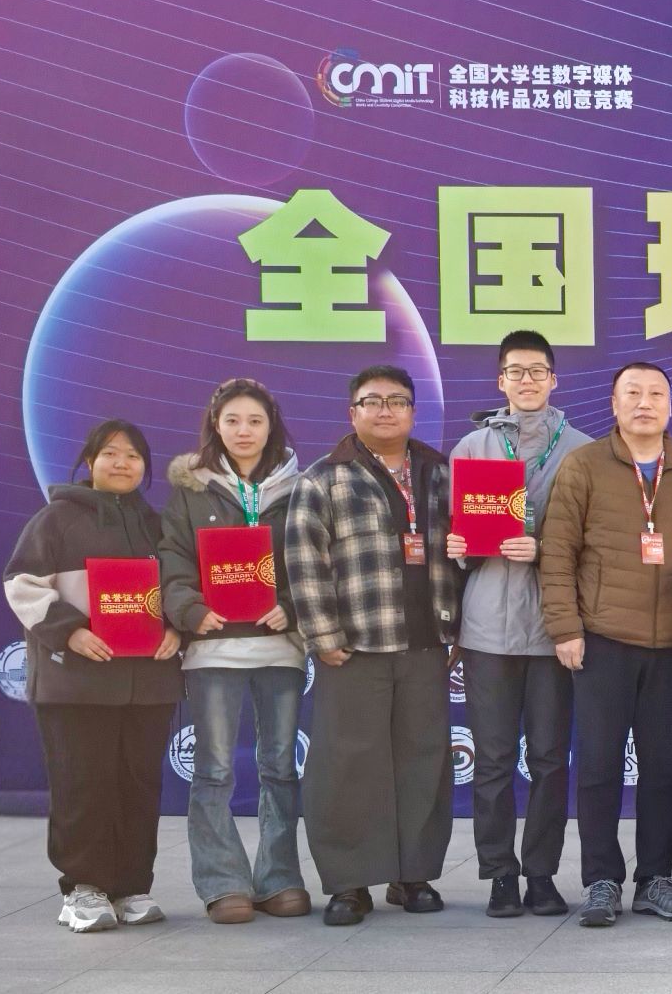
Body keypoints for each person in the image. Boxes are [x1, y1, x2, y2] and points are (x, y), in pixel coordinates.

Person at [286, 365, 461, 925]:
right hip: (354, 645)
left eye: (398, 401)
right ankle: (350, 882)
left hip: (427, 642)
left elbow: (467, 548)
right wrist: (322, 635)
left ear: (413, 411)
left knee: (423, 760)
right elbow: (304, 560)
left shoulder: (441, 472)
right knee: (348, 765)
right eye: (373, 401)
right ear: (352, 412)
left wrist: (457, 624)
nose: (386, 410)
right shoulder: (324, 477)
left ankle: (413, 877)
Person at [541, 361, 672, 927]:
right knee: (598, 766)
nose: (644, 403)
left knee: (662, 769)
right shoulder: (584, 465)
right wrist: (565, 628)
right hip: (603, 640)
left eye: (656, 393)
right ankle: (601, 881)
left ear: (670, 406)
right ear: (613, 405)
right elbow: (557, 552)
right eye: (632, 393)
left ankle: (655, 879)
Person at [4, 419, 181, 932]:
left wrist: (178, 629)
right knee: (82, 785)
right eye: (110, 453)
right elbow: (21, 584)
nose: (122, 463)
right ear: (89, 462)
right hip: (76, 684)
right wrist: (71, 632)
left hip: (148, 684)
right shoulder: (55, 519)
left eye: (133, 455)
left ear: (145, 467)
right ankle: (82, 888)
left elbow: (181, 587)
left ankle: (132, 887)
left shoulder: (158, 526)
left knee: (138, 785)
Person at [445, 330, 592, 919]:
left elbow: (595, 543)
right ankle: (500, 874)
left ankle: (542, 874)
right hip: (487, 628)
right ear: (499, 380)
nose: (526, 381)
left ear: (554, 379)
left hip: (554, 628)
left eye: (537, 371)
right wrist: (459, 548)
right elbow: (454, 535)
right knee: (493, 759)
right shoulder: (472, 447)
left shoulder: (582, 450)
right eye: (515, 371)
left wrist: (544, 549)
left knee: (551, 759)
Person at [158, 380, 312, 924]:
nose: (243, 431)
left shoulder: (300, 487)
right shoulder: (191, 489)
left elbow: (316, 558)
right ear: (215, 425)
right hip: (213, 650)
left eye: (254, 421)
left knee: (280, 768)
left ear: (271, 426)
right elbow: (172, 558)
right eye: (232, 421)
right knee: (215, 769)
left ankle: (279, 877)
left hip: (280, 650)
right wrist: (189, 609)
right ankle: (223, 882)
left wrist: (292, 606)